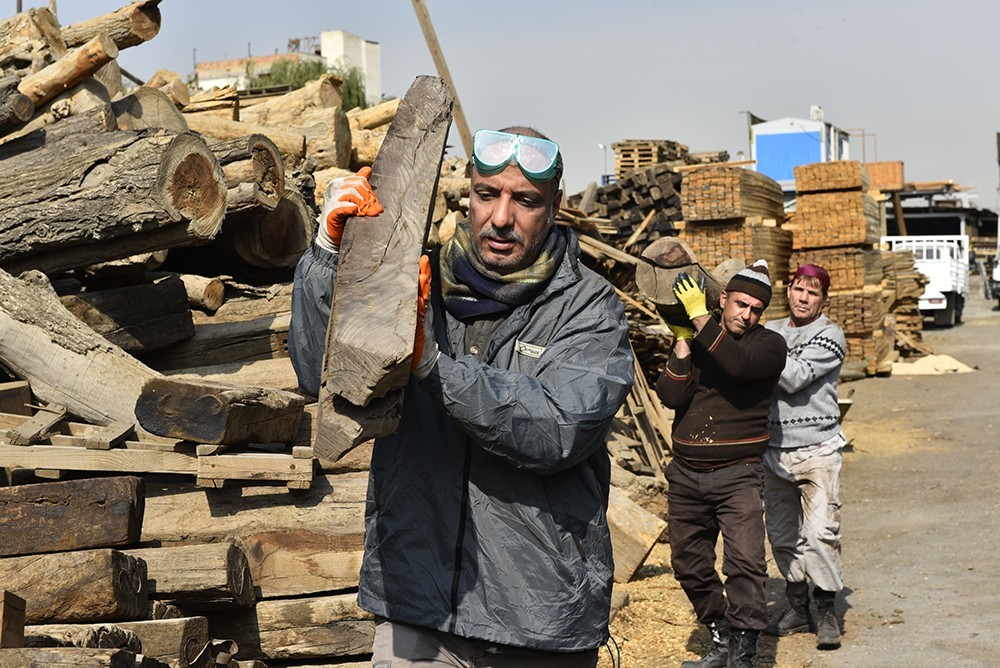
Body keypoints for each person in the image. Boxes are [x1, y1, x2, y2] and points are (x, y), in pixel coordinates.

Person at [288, 126, 635, 667]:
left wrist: (432, 366)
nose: (501, 218)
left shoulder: (589, 310)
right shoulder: (412, 281)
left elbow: (556, 430)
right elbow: (320, 375)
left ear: (555, 206)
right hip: (416, 608)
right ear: (465, 193)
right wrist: (330, 257)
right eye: (486, 194)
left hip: (536, 624)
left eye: (525, 201)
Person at [655, 260, 787, 668]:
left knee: (745, 563)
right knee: (688, 563)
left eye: (755, 309)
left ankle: (743, 655)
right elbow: (671, 397)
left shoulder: (768, 346)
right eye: (740, 304)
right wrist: (681, 343)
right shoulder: (700, 341)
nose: (746, 315)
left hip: (738, 475)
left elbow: (736, 364)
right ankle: (720, 633)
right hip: (686, 474)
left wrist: (697, 317)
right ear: (724, 299)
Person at [763, 263, 846, 650]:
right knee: (782, 536)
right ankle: (798, 608)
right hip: (773, 448)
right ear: (789, 291)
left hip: (817, 448)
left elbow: (795, 375)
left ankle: (827, 611)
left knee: (819, 534)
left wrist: (757, 348)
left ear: (823, 299)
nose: (803, 298)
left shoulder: (831, 335)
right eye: (798, 289)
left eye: (812, 293)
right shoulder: (773, 330)